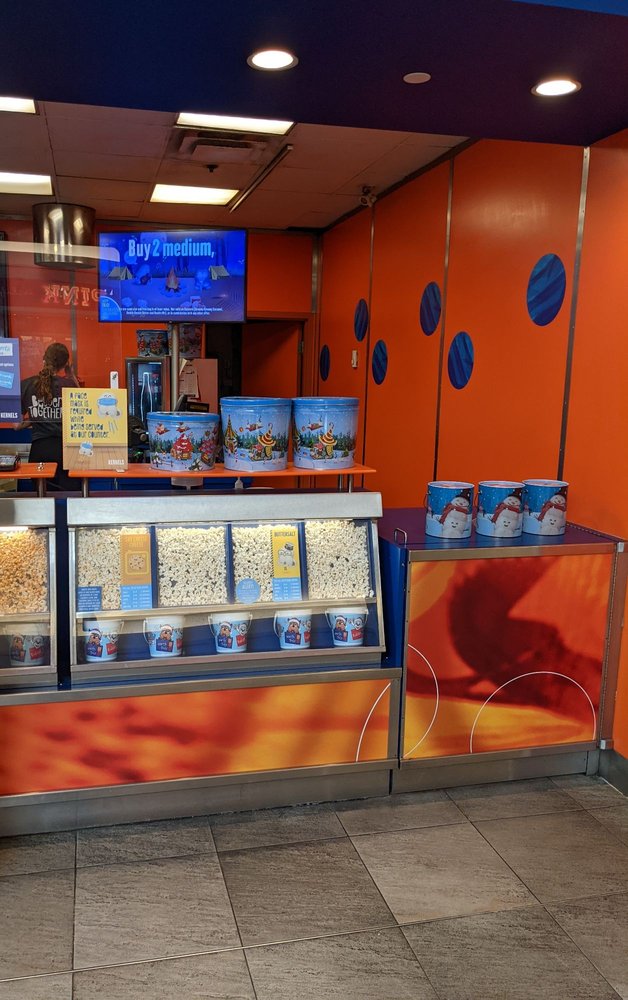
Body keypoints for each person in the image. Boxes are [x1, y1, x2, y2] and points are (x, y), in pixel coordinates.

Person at [20, 342, 79, 490]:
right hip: (66, 452)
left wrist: (37, 416)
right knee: (71, 498)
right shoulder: (70, 385)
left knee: (43, 498)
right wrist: (71, 375)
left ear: (44, 360)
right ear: (65, 364)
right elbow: (81, 410)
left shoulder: (26, 385)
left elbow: (16, 425)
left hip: (39, 451)